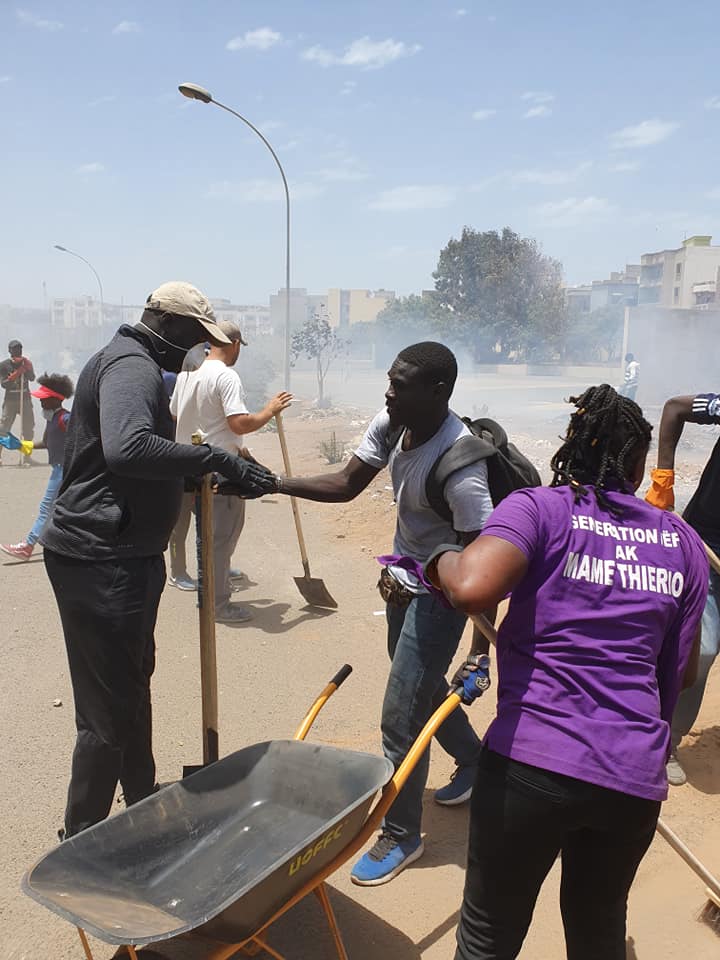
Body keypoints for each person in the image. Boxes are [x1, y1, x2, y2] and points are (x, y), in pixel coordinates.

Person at [428, 384, 707, 960]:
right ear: (635, 465)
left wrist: (435, 559)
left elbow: (471, 586)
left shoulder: (539, 508)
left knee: (487, 936)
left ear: (572, 447)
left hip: (532, 761)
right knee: (598, 928)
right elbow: (676, 679)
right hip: (630, 775)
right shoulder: (681, 542)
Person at [40, 281, 278, 839]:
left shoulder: (136, 361)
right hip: (101, 557)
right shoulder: (132, 365)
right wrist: (215, 455)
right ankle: (81, 839)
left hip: (125, 553)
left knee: (131, 685)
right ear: (166, 325)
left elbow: (129, 458)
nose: (196, 352)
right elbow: (128, 447)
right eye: (194, 340)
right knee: (107, 712)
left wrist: (201, 472)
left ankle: (141, 799)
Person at [276, 341, 493, 884]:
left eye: (401, 384)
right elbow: (348, 484)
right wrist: (271, 484)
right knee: (419, 690)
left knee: (400, 717)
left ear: (438, 391)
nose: (388, 391)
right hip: (402, 578)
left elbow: (484, 569)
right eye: (390, 380)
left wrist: (480, 652)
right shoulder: (395, 420)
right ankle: (477, 762)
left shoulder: (461, 467)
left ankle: (402, 833)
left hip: (440, 596)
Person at [171, 320, 292, 622]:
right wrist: (269, 410)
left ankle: (215, 580)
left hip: (188, 464)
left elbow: (175, 413)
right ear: (235, 344)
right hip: (218, 469)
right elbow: (239, 423)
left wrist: (237, 448)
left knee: (206, 536)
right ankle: (218, 605)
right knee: (221, 537)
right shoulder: (226, 377)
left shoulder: (187, 374)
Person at [646, 391, 720, 785]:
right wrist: (663, 482)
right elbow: (674, 407)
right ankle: (667, 740)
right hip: (707, 547)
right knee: (702, 648)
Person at [1, 372, 74, 560]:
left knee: (46, 507)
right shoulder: (52, 420)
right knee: (60, 508)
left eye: (44, 400)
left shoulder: (65, 419)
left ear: (54, 400)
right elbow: (47, 443)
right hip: (59, 469)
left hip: (64, 469)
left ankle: (27, 546)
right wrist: (23, 445)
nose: (41, 404)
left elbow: (82, 438)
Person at [0, 338, 35, 464]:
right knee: (3, 428)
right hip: (10, 401)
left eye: (19, 348)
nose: (18, 351)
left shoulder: (26, 362)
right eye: (15, 349)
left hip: (25, 399)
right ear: (9, 351)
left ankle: (27, 456)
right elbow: (4, 384)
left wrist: (27, 368)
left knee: (28, 428)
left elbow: (32, 378)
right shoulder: (4, 365)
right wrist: (16, 374)